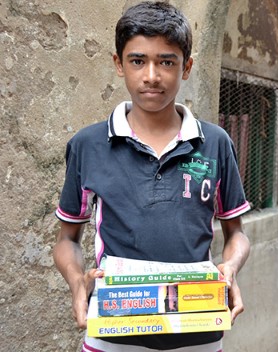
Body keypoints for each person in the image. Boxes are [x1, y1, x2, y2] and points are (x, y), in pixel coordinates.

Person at [52, 2, 251, 351]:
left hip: (198, 329)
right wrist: (76, 281)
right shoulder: (89, 145)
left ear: (186, 67)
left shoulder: (215, 143)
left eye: (167, 62)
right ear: (119, 64)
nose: (151, 76)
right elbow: (68, 238)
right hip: (113, 331)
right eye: (138, 60)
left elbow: (237, 234)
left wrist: (230, 266)